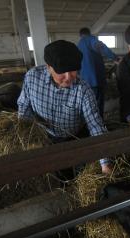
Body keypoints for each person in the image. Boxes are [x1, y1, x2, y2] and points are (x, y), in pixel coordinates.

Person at [17, 40, 112, 174]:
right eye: (62, 71)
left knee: (82, 169)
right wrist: (25, 135)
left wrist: (105, 163)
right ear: (49, 67)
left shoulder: (83, 89)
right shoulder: (32, 78)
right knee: (62, 172)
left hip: (77, 137)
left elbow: (95, 125)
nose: (68, 77)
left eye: (73, 70)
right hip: (49, 137)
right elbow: (24, 106)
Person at [77, 27, 119, 119]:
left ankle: (90, 123)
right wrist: (115, 58)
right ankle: (99, 123)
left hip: (85, 81)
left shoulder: (78, 45)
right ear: (88, 33)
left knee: (89, 103)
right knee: (98, 102)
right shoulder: (91, 39)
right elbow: (100, 46)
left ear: (80, 35)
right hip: (96, 79)